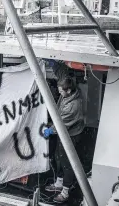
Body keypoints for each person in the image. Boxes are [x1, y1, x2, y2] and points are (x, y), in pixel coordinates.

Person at [43, 60, 85, 203]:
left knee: (68, 162)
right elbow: (62, 74)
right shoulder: (68, 86)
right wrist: (54, 65)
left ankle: (65, 191)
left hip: (71, 135)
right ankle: (59, 182)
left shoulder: (73, 106)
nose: (59, 93)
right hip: (64, 132)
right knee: (59, 157)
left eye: (61, 91)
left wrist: (50, 130)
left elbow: (62, 124)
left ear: (68, 91)